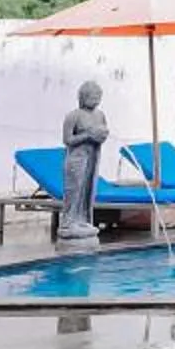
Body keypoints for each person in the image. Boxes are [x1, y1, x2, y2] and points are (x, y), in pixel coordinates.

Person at [59, 80, 109, 241]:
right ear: (83, 96)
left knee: (88, 189)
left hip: (93, 157)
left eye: (98, 96)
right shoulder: (74, 116)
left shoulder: (100, 115)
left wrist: (100, 135)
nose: (96, 99)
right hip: (77, 158)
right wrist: (88, 135)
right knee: (75, 189)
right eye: (93, 96)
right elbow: (67, 140)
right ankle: (68, 222)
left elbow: (103, 132)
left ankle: (82, 220)